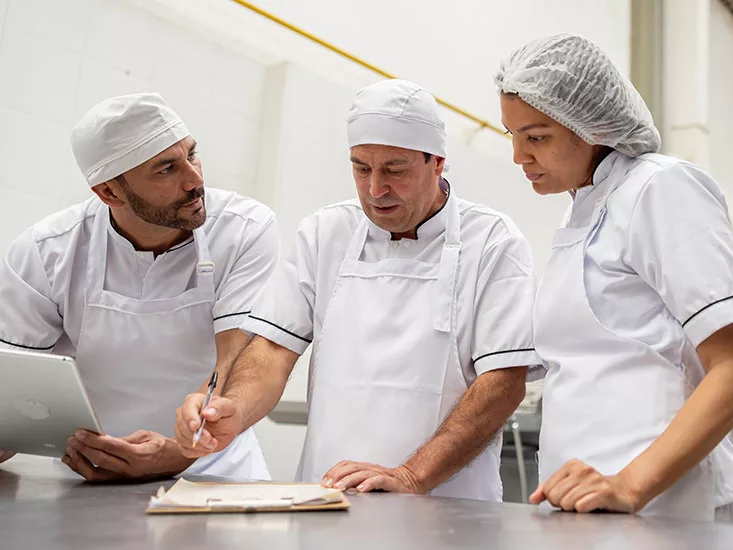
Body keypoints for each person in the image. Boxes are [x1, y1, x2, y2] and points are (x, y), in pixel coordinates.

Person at [174, 79, 541, 501]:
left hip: (445, 509)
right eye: (361, 168)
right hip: (328, 498)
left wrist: (412, 475)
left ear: (437, 163)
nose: (375, 189)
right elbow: (272, 350)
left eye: (395, 171)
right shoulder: (324, 232)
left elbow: (503, 382)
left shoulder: (493, 242)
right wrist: (233, 411)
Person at [494, 34, 733, 522]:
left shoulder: (660, 188)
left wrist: (630, 484)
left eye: (536, 137)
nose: (519, 157)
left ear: (591, 127)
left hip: (665, 505)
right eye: (511, 136)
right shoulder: (583, 211)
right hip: (587, 504)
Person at [0, 93, 276, 481]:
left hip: (215, 469)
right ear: (109, 192)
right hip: (85, 475)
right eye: (166, 169)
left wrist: (183, 451)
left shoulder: (244, 229)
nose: (195, 180)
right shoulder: (49, 250)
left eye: (192, 155)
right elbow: (14, 382)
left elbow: (239, 356)